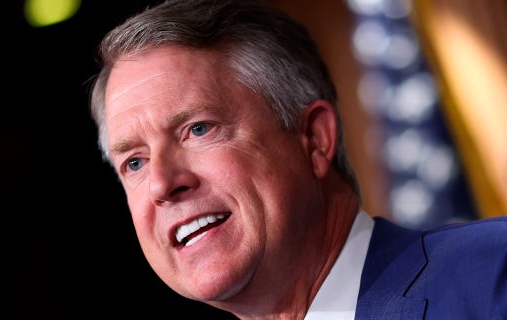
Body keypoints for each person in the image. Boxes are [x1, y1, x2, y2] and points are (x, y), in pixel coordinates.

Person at [87, 0, 507, 318]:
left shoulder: (493, 274)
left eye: (198, 129)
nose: (161, 184)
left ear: (314, 138)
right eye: (135, 163)